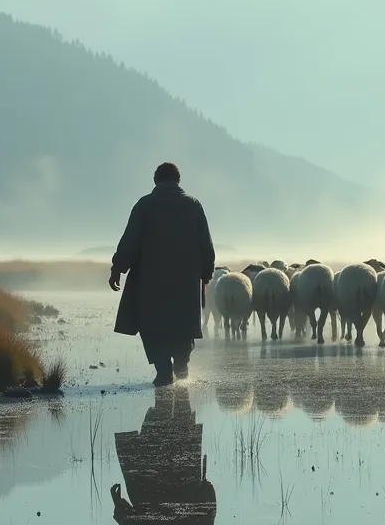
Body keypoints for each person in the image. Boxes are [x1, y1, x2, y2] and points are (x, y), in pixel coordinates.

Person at [110, 162, 216, 386]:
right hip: (185, 281)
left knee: (152, 324)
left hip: (150, 282)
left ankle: (163, 370)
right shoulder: (193, 205)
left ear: (155, 180)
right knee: (183, 321)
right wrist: (206, 272)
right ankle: (182, 362)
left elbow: (130, 240)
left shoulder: (144, 205)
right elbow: (206, 244)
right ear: (178, 180)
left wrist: (117, 268)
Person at [110, 386, 217, 523]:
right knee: (163, 413)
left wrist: (205, 486)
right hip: (149, 479)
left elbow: (208, 502)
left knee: (178, 409)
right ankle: (171, 378)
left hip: (181, 475)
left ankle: (175, 376)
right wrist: (119, 506)